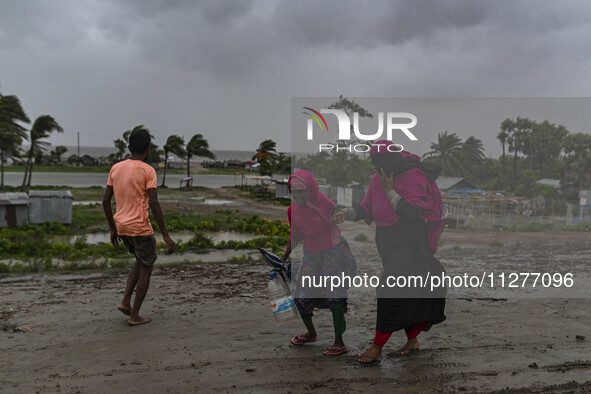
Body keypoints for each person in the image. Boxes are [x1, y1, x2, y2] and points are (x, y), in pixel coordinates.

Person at [338, 140, 446, 364]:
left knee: (389, 289)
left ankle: (377, 347)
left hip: (410, 242)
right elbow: (367, 207)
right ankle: (412, 340)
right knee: (408, 292)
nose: (379, 171)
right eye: (375, 167)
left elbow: (412, 213)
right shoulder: (377, 178)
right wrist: (346, 213)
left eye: (382, 166)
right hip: (387, 242)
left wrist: (390, 189)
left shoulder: (413, 176)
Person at [103, 128, 176, 326]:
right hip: (140, 228)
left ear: (129, 147)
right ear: (148, 149)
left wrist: (112, 228)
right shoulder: (148, 170)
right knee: (147, 268)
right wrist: (166, 236)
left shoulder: (116, 168)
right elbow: (154, 203)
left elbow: (105, 200)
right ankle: (134, 315)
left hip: (122, 227)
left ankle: (125, 301)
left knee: (140, 260)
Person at [281, 170, 357, 356]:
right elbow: (296, 235)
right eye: (294, 191)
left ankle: (339, 341)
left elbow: (337, 211)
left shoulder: (323, 202)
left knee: (334, 295)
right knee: (300, 296)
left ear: (311, 189)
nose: (298, 195)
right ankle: (311, 333)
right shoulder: (293, 211)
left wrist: (339, 214)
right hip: (311, 254)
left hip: (332, 252)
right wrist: (283, 258)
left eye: (301, 191)